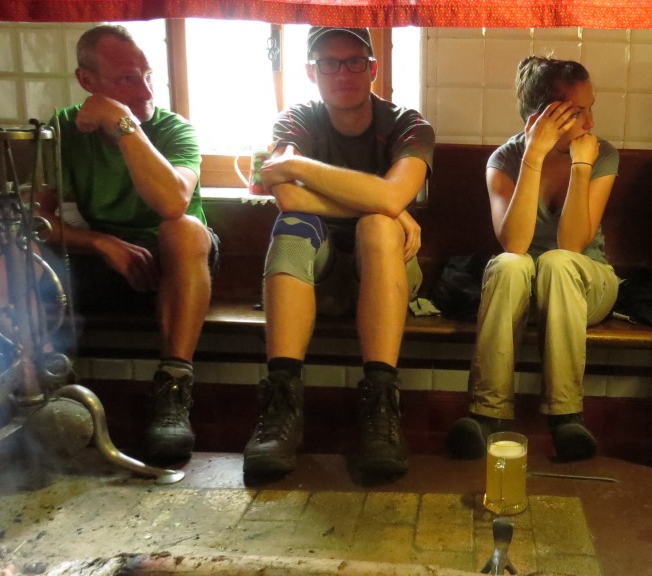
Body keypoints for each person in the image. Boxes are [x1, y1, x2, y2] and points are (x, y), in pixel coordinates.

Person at [242, 27, 434, 480]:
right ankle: (282, 402)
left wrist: (297, 165)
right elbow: (289, 198)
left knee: (378, 226)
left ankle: (381, 404)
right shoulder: (296, 121)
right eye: (329, 62)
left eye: (354, 61)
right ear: (311, 72)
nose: (342, 72)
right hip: (318, 280)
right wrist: (384, 203)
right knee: (293, 226)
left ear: (373, 68)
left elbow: (392, 196)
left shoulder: (409, 125)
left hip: (389, 273)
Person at [43, 25, 218, 464]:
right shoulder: (63, 129)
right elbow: (38, 221)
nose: (145, 90)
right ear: (87, 81)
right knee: (2, 252)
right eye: (126, 79)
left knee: (182, 229)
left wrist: (122, 122)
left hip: (177, 268)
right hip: (105, 263)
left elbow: (173, 202)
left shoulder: (175, 129)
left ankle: (174, 389)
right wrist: (101, 241)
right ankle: (37, 392)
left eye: (147, 75)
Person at [445, 56, 619, 462]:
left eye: (590, 109)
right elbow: (515, 242)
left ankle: (566, 417)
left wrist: (581, 166)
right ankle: (486, 414)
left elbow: (573, 243)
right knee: (508, 263)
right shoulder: (503, 161)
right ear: (544, 117)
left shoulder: (601, 154)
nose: (591, 123)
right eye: (578, 112)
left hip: (586, 283)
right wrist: (533, 158)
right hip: (523, 285)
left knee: (558, 263)